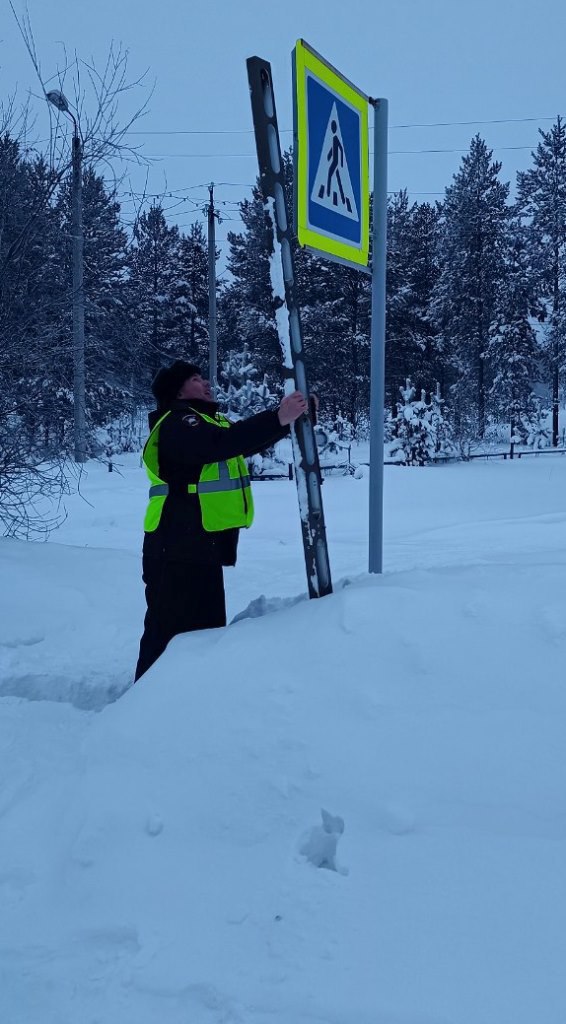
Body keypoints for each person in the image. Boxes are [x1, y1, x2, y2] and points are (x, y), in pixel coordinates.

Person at [134, 359, 308, 680]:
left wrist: (285, 420)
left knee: (202, 633)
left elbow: (238, 443)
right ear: (178, 392)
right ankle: (146, 702)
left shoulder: (203, 423)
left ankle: (190, 697)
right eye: (196, 379)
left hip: (197, 545)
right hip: (175, 547)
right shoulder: (178, 422)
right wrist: (278, 417)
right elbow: (222, 444)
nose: (206, 383)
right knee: (168, 633)